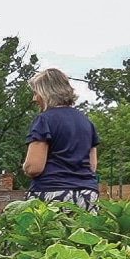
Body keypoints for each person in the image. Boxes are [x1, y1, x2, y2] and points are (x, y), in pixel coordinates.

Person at [22, 68, 100, 211]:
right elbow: (92, 166)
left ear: (47, 93)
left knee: (48, 233)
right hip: (88, 195)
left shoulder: (43, 120)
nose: (34, 98)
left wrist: (25, 167)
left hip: (52, 192)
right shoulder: (86, 121)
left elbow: (34, 167)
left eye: (36, 92)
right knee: (82, 233)